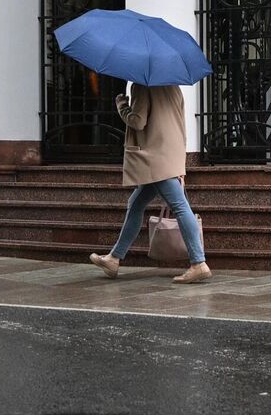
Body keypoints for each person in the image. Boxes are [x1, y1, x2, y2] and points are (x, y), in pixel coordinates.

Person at [88, 82, 210, 284]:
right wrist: (180, 164)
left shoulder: (141, 86)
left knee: (180, 206)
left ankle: (199, 263)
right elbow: (179, 122)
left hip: (154, 158)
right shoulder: (174, 86)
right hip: (169, 155)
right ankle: (114, 258)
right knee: (136, 204)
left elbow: (138, 121)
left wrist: (121, 105)